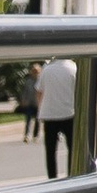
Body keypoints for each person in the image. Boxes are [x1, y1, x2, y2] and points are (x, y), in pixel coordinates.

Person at [36, 51, 76, 179]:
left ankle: (52, 177)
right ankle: (71, 173)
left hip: (49, 113)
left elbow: (39, 91)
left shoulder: (46, 69)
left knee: (50, 151)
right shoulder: (73, 68)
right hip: (69, 112)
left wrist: (39, 110)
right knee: (72, 148)